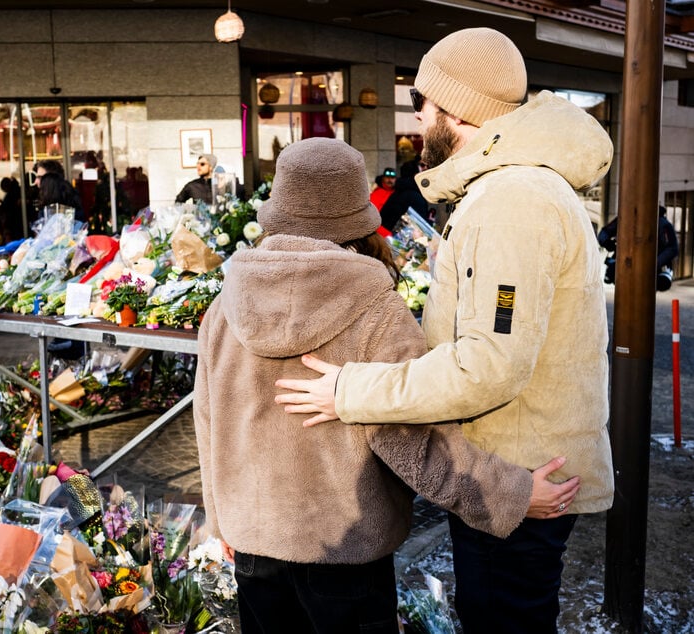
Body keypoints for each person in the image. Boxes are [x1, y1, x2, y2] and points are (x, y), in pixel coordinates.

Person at [273, 28, 615, 633]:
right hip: (516, 470)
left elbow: (490, 365)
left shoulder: (513, 201)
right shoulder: (510, 189)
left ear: (459, 111)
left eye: (425, 101)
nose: (417, 114)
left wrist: (350, 391)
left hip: (518, 477)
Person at [195, 137, 579, 634]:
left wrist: (221, 520)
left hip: (253, 547)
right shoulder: (375, 310)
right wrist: (513, 493)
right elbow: (413, 440)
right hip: (346, 551)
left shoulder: (224, 307)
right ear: (358, 215)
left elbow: (207, 422)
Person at [377, 159, 429, 231]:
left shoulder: (397, 192)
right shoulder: (413, 195)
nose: (426, 169)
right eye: (422, 166)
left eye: (392, 178)